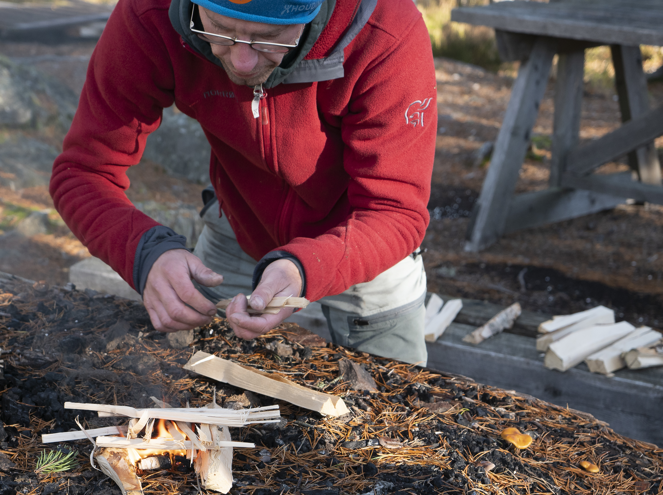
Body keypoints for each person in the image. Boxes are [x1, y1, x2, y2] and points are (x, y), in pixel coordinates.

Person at [51, 0, 437, 365]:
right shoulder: (151, 13)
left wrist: (305, 268)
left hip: (365, 239)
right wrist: (144, 254)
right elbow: (82, 172)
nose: (242, 61)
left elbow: (395, 211)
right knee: (191, 380)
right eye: (219, 29)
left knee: (398, 396)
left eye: (269, 37)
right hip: (238, 225)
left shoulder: (383, 30)